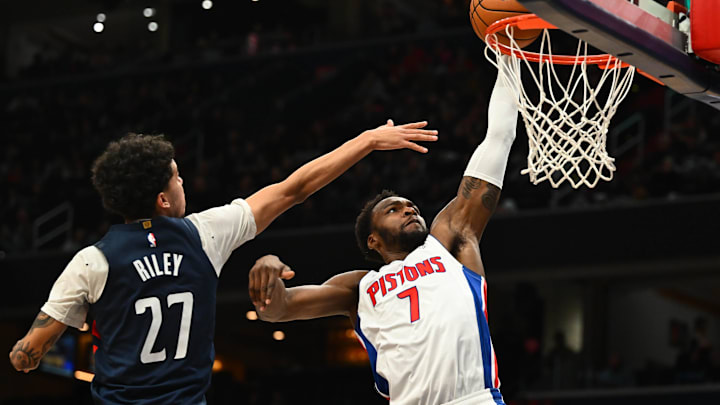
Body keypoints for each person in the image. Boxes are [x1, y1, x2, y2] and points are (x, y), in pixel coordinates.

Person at [8, 121, 438, 404]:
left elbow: (30, 352)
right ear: (162, 199)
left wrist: (29, 351)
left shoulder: (91, 261)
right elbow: (294, 189)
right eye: (176, 177)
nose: (182, 183)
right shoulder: (204, 234)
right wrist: (366, 141)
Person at [248, 69, 518, 405]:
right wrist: (267, 267)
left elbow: (498, 139)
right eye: (394, 210)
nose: (409, 210)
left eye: (411, 206)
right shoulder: (357, 288)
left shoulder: (449, 242)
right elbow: (278, 309)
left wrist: (509, 60)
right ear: (373, 240)